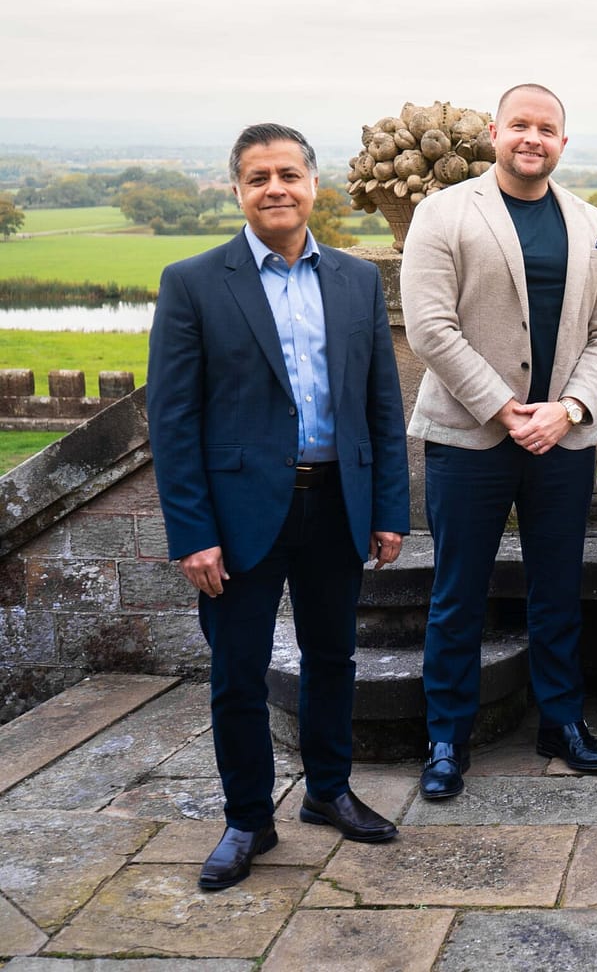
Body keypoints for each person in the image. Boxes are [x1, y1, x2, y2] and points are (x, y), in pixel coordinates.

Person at [148, 123, 409, 891]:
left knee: (334, 658)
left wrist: (387, 508)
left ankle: (328, 793)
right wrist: (192, 533)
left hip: (336, 505)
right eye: (258, 176)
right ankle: (247, 819)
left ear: (312, 185)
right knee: (237, 673)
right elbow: (173, 420)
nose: (275, 188)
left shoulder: (357, 282)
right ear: (237, 190)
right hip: (236, 519)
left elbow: (380, 407)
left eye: (288, 173)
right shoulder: (194, 281)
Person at [402, 84, 597, 796]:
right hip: (469, 435)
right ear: (496, 133)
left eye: (548, 129)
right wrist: (505, 409)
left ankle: (560, 722)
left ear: (564, 141)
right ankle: (445, 737)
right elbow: (431, 327)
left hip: (560, 439)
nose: (533, 138)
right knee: (457, 592)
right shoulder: (442, 213)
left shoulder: (594, 224)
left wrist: (567, 407)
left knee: (557, 590)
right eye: (521, 126)